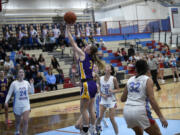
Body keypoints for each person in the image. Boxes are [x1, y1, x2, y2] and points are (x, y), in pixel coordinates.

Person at [67, 25, 104, 135]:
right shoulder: (91, 59)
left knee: (82, 110)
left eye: (88, 45)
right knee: (91, 108)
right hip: (92, 84)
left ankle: (85, 131)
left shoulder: (84, 55)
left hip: (86, 84)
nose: (86, 46)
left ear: (89, 50)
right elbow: (76, 55)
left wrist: (68, 31)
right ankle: (92, 129)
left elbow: (73, 44)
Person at [121, 60, 168, 135]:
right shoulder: (147, 80)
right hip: (140, 111)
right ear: (147, 68)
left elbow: (122, 99)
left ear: (136, 69)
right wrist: (161, 117)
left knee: (139, 133)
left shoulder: (130, 80)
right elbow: (152, 100)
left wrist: (133, 94)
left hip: (127, 112)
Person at [5, 69, 32, 135]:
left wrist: (32, 84)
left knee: (25, 121)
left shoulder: (26, 82)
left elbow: (30, 91)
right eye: (20, 72)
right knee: (18, 122)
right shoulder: (14, 83)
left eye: (22, 72)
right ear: (17, 74)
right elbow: (9, 94)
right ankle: (17, 131)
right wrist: (6, 102)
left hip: (26, 105)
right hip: (17, 106)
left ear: (24, 74)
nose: (21, 73)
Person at [96, 65, 119, 135]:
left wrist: (112, 91)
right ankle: (97, 129)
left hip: (112, 100)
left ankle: (117, 133)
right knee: (99, 116)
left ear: (111, 70)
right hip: (103, 99)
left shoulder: (113, 79)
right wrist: (102, 95)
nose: (107, 67)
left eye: (108, 67)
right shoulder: (100, 78)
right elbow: (98, 89)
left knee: (112, 119)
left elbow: (118, 89)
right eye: (106, 67)